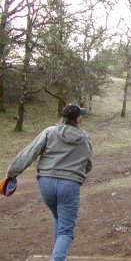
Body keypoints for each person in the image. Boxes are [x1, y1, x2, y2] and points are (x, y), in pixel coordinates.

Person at [6, 103, 93, 261]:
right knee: (66, 232)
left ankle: (58, 256)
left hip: (46, 183)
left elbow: (30, 152)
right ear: (77, 119)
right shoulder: (84, 139)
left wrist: (12, 173)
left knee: (58, 217)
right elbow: (88, 165)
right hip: (69, 185)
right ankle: (58, 258)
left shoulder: (49, 132)